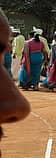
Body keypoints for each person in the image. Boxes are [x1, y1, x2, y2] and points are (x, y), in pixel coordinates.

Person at [0, 11, 31, 145]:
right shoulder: (23, 39)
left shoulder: (19, 40)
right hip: (19, 55)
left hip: (15, 55)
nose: (20, 106)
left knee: (13, 69)